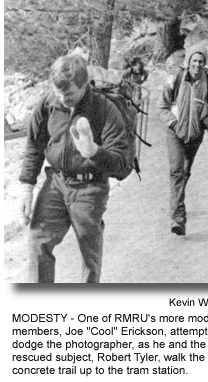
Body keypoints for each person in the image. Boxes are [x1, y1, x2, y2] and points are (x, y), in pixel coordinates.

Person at [19, 54, 128, 283]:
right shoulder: (49, 103)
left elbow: (121, 163)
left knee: (89, 252)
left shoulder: (104, 109)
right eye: (58, 93)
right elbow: (34, 145)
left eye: (68, 94)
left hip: (90, 186)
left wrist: (94, 152)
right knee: (38, 239)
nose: (61, 99)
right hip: (57, 182)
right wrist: (27, 187)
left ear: (84, 85)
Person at [156, 45, 208, 236]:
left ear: (205, 63)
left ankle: (176, 201)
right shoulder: (175, 79)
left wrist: (203, 124)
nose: (197, 64)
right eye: (194, 61)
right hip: (175, 134)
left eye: (200, 61)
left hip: (195, 135)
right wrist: (173, 123)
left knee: (185, 171)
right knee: (177, 171)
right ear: (188, 62)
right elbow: (161, 106)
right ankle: (178, 217)